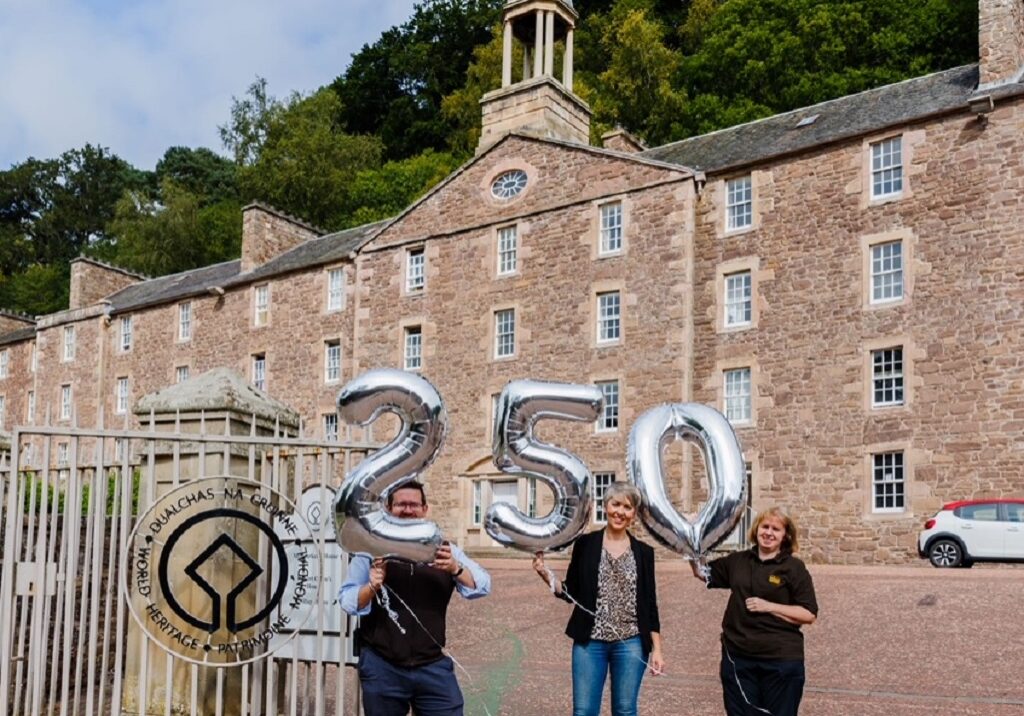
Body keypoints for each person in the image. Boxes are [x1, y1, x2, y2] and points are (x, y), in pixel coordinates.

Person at [340, 480, 491, 716]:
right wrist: (371, 586)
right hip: (383, 666)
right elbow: (348, 600)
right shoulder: (370, 549)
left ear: (425, 509)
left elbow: (483, 585)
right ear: (389, 510)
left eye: (414, 504)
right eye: (401, 504)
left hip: (432, 665)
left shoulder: (444, 549)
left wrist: (455, 568)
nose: (408, 510)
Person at [533, 482, 664, 716]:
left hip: (631, 642)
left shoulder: (644, 553)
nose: (620, 512)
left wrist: (658, 650)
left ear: (634, 513)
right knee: (583, 711)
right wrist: (545, 574)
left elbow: (650, 605)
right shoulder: (585, 544)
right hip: (589, 642)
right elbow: (571, 592)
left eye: (627, 507)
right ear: (606, 506)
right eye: (616, 504)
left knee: (625, 710)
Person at [692, 506, 818, 716]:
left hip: (781, 661)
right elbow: (702, 573)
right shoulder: (738, 560)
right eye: (764, 526)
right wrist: (693, 540)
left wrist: (769, 607)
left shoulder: (794, 568)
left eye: (775, 529)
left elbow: (809, 614)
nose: (768, 532)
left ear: (785, 535)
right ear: (756, 529)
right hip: (738, 657)